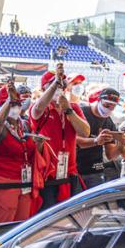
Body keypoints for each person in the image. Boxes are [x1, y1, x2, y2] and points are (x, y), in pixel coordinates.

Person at [29, 65, 89, 209]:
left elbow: (85, 132)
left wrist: (68, 110)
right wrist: (55, 83)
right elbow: (37, 110)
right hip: (47, 175)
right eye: (54, 84)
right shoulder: (41, 109)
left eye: (61, 84)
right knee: (48, 217)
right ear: (44, 89)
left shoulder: (73, 108)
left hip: (69, 173)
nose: (59, 87)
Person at [0, 84, 43, 223]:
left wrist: (39, 145)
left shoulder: (25, 124)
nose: (15, 107)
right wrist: (9, 100)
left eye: (17, 103)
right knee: (4, 227)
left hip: (24, 182)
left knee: (22, 226)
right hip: (4, 181)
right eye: (12, 104)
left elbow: (32, 152)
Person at [76, 87, 123, 189]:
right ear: (99, 100)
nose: (109, 109)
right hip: (76, 169)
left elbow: (110, 155)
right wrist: (96, 141)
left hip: (95, 171)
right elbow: (75, 140)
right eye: (107, 105)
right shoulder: (82, 113)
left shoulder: (108, 122)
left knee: (96, 204)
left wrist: (121, 144)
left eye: (113, 107)